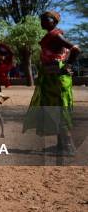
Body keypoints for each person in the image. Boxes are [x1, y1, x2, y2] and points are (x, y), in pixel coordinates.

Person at [23, 10, 81, 156]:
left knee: (60, 109)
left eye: (46, 19)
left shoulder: (56, 35)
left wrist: (67, 66)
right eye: (41, 19)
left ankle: (68, 146)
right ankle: (61, 145)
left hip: (57, 79)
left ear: (54, 22)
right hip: (50, 79)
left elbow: (75, 49)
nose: (42, 21)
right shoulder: (51, 36)